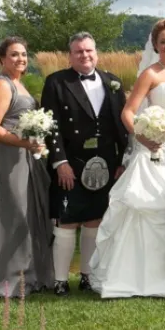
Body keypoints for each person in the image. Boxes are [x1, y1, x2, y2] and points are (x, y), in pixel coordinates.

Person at [88, 19, 165, 298]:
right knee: (149, 208)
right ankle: (142, 276)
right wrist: (143, 136)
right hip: (155, 150)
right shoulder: (150, 73)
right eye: (163, 42)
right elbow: (128, 112)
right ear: (155, 45)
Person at [40, 32, 128, 296]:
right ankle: (60, 280)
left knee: (94, 221)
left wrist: (122, 160)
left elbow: (121, 126)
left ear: (96, 53)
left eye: (89, 51)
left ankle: (87, 276)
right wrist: (60, 162)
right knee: (67, 221)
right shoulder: (56, 82)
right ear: (70, 55)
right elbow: (50, 125)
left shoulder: (112, 81)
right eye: (78, 51)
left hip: (104, 163)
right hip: (72, 161)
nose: (84, 55)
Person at [0, 37, 53, 298]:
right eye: (14, 55)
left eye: (23, 54)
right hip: (8, 158)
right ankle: (8, 279)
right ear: (1, 59)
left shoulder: (18, 84)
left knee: (27, 213)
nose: (20, 59)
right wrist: (24, 141)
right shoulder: (1, 85)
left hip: (25, 157)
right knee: (11, 214)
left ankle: (28, 273)